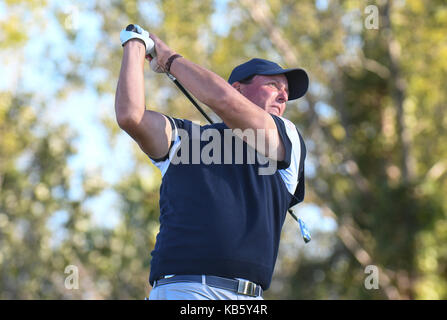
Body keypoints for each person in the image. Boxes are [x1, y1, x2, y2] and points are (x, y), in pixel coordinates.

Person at [115, 25, 309, 300]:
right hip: (180, 290)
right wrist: (134, 45)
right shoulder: (184, 138)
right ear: (239, 89)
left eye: (286, 91)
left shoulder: (285, 137)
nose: (283, 95)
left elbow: (223, 102)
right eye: (273, 85)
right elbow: (130, 117)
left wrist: (169, 59)